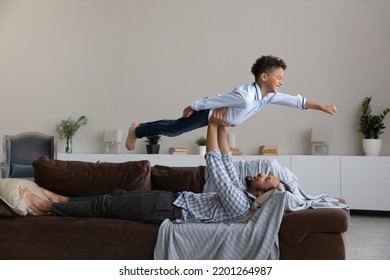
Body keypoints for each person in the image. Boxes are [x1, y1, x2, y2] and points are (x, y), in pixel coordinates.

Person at [19, 109, 281, 225]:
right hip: (173, 200)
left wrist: (212, 124)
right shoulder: (241, 191)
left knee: (107, 206)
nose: (261, 173)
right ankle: (63, 199)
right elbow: (225, 159)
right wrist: (222, 125)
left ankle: (47, 207)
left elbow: (213, 160)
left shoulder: (239, 203)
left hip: (169, 211)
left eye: (266, 179)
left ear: (261, 194)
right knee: (115, 197)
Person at [125, 55, 337, 150]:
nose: (282, 82)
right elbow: (218, 98)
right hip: (206, 114)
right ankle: (137, 130)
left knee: (173, 127)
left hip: (215, 119)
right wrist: (194, 106)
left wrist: (322, 107)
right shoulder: (244, 96)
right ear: (264, 77)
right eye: (279, 78)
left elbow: (295, 101)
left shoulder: (268, 96)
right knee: (173, 130)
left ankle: (138, 128)